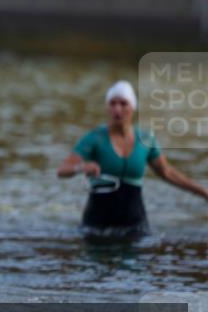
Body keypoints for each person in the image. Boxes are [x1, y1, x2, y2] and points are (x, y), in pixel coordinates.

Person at [57, 80, 208, 238]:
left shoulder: (145, 139)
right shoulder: (95, 138)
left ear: (133, 107)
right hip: (97, 223)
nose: (117, 109)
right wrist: (81, 168)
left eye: (123, 103)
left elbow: (168, 173)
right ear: (107, 107)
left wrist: (203, 192)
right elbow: (62, 170)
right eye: (112, 103)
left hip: (134, 222)